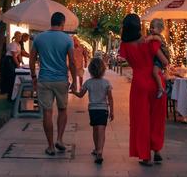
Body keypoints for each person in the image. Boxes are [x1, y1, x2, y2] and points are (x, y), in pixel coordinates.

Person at [118, 13, 168, 166]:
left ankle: (144, 156)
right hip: (155, 82)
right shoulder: (149, 42)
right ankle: (157, 150)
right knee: (156, 118)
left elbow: (125, 59)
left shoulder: (124, 45)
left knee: (141, 120)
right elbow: (164, 62)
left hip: (139, 83)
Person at [30, 12, 76, 156]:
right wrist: (74, 80)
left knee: (47, 113)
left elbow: (32, 60)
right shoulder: (67, 39)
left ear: (51, 22)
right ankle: (60, 140)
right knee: (62, 110)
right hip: (61, 80)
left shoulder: (39, 38)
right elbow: (72, 62)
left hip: (44, 80)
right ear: (62, 23)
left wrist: (33, 78)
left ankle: (50, 146)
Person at [72, 57, 114, 164]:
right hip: (103, 110)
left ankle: (96, 149)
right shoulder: (106, 83)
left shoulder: (88, 82)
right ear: (103, 69)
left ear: (90, 70)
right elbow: (110, 98)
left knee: (95, 130)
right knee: (102, 131)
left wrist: (74, 92)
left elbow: (81, 95)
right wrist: (112, 111)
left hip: (93, 110)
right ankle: (100, 151)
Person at [147, 19, 171, 98]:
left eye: (153, 28)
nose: (151, 29)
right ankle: (164, 86)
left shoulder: (157, 37)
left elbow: (155, 38)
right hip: (158, 59)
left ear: (159, 29)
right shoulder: (157, 37)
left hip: (158, 60)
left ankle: (161, 88)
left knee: (155, 72)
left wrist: (149, 38)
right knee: (156, 72)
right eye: (150, 27)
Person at [1, 31, 22, 97]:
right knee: (11, 77)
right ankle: (10, 95)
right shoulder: (13, 44)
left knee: (14, 77)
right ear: (15, 36)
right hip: (9, 60)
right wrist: (18, 64)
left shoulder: (19, 45)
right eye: (18, 36)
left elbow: (18, 54)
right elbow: (13, 55)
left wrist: (21, 61)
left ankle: (14, 94)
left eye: (20, 36)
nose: (19, 37)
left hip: (13, 60)